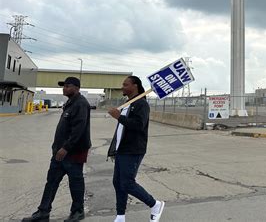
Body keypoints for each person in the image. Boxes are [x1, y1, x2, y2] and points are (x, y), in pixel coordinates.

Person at [23, 77, 91, 222]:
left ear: (77, 88)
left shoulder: (81, 104)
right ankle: (43, 212)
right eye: (64, 86)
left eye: (68, 86)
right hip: (59, 153)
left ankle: (78, 212)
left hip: (73, 152)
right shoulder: (70, 103)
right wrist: (58, 149)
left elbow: (78, 129)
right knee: (51, 181)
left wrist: (66, 148)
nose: (64, 88)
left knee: (75, 182)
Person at [107, 76, 165, 222]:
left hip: (133, 150)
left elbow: (139, 125)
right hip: (122, 149)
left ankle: (155, 205)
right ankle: (120, 216)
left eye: (125, 84)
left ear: (135, 86)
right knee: (118, 183)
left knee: (127, 183)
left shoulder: (141, 104)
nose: (122, 87)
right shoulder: (128, 103)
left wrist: (119, 117)